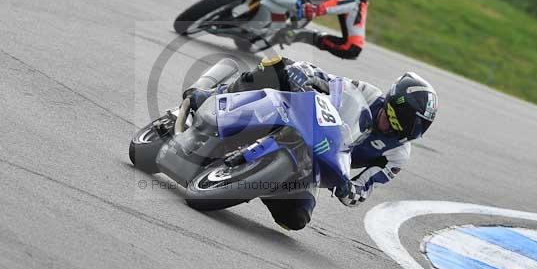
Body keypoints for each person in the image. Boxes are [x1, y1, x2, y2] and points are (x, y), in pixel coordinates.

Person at [184, 56, 438, 231]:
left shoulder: (397, 155)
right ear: (390, 103)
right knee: (277, 66)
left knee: (295, 220)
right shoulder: (369, 94)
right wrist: (305, 73)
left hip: (317, 163)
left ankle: (256, 180)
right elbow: (331, 82)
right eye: (392, 119)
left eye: (410, 126)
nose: (390, 128)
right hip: (303, 122)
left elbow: (363, 188)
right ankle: (216, 95)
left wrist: (349, 191)